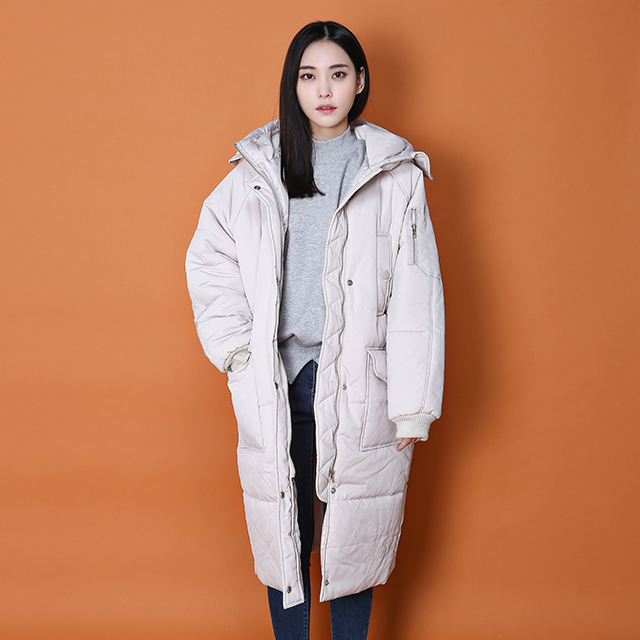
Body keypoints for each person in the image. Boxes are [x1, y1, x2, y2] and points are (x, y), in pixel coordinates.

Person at [186, 20, 444, 640]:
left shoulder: (394, 174)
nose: (323, 90)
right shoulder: (258, 169)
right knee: (286, 537)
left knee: (353, 541)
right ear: (292, 85)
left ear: (361, 82)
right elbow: (209, 258)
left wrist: (412, 405)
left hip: (361, 383)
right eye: (308, 76)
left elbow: (418, 289)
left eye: (338, 74)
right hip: (280, 381)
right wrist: (239, 351)